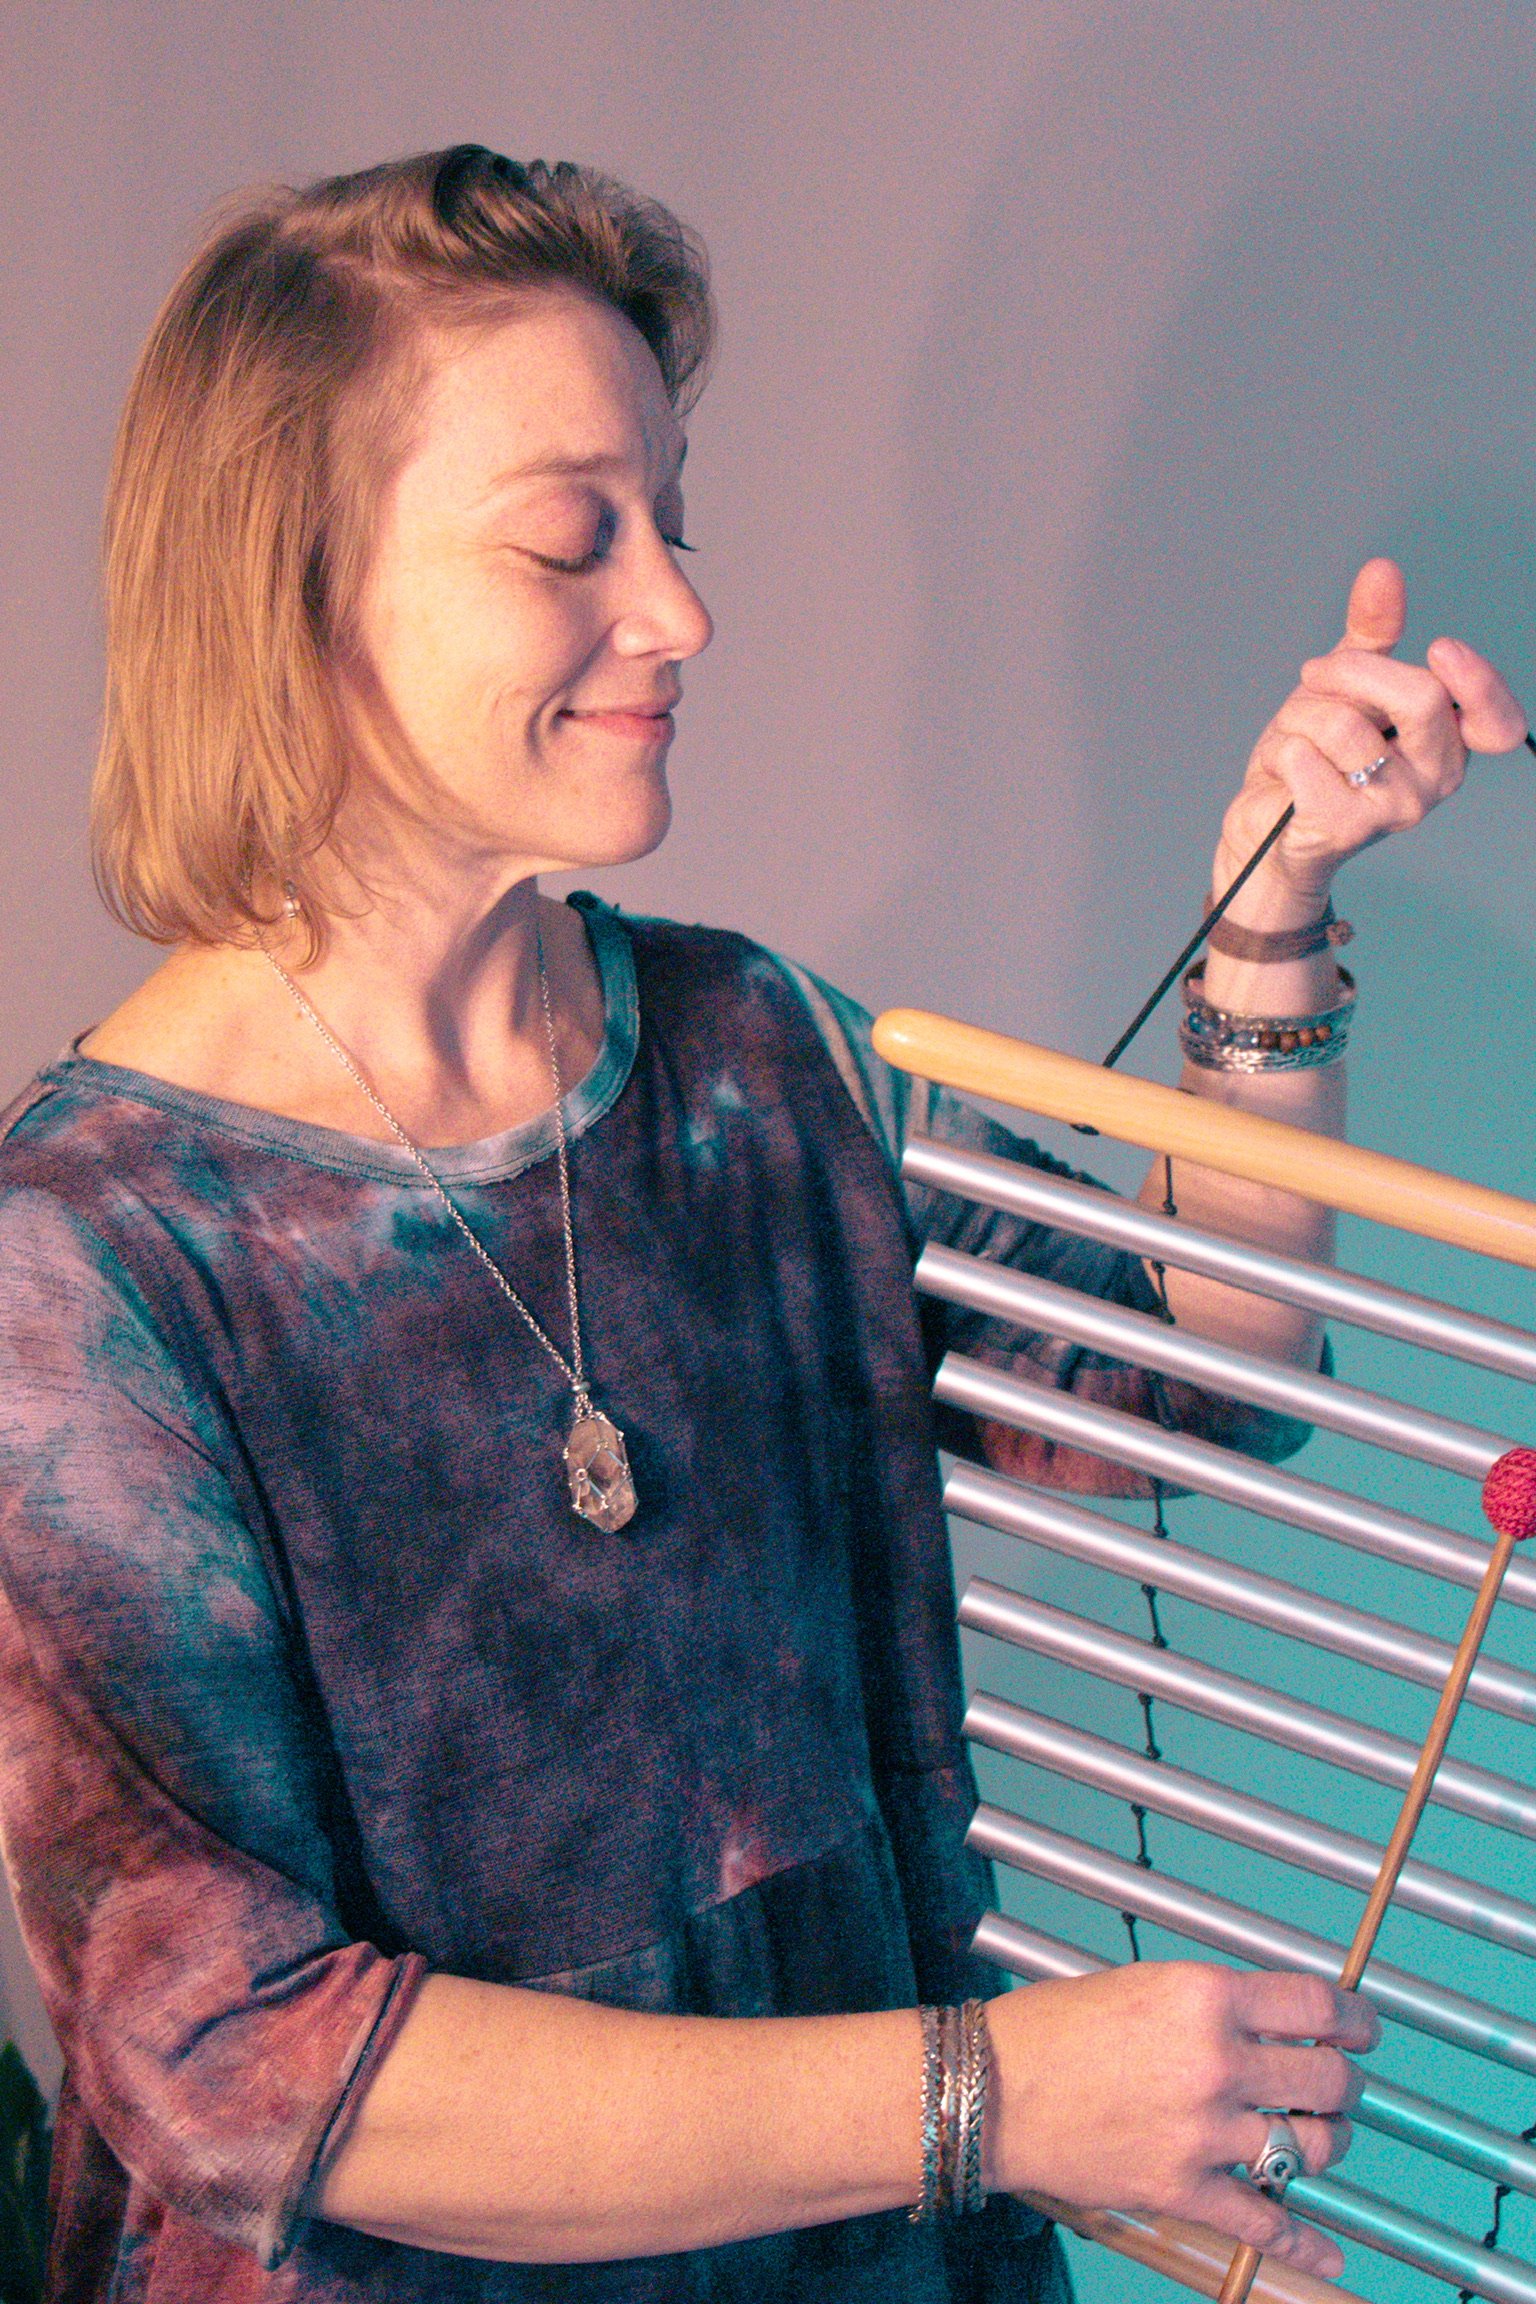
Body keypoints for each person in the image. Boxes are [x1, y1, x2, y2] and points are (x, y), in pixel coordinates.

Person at [0, 145, 1521, 2304]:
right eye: (568, 538)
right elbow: (243, 2065)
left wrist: (1268, 913)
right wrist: (994, 2096)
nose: (683, 611)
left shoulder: (745, 1054)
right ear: (298, 585)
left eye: (673, 515)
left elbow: (1188, 1372)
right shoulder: (77, 1271)